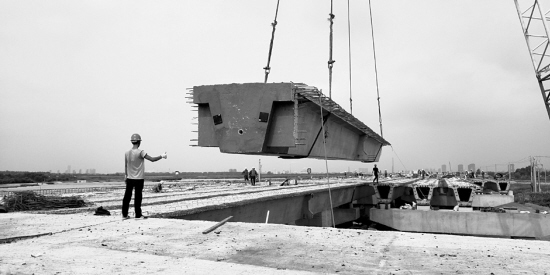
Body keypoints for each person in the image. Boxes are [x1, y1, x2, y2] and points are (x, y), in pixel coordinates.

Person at [123, 133, 167, 220]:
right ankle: (138, 215)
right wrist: (162, 156)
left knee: (127, 196)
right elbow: (152, 159)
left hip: (129, 178)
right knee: (138, 197)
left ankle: (124, 214)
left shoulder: (126, 153)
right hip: (139, 178)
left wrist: (126, 175)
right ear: (139, 142)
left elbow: (126, 165)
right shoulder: (141, 152)